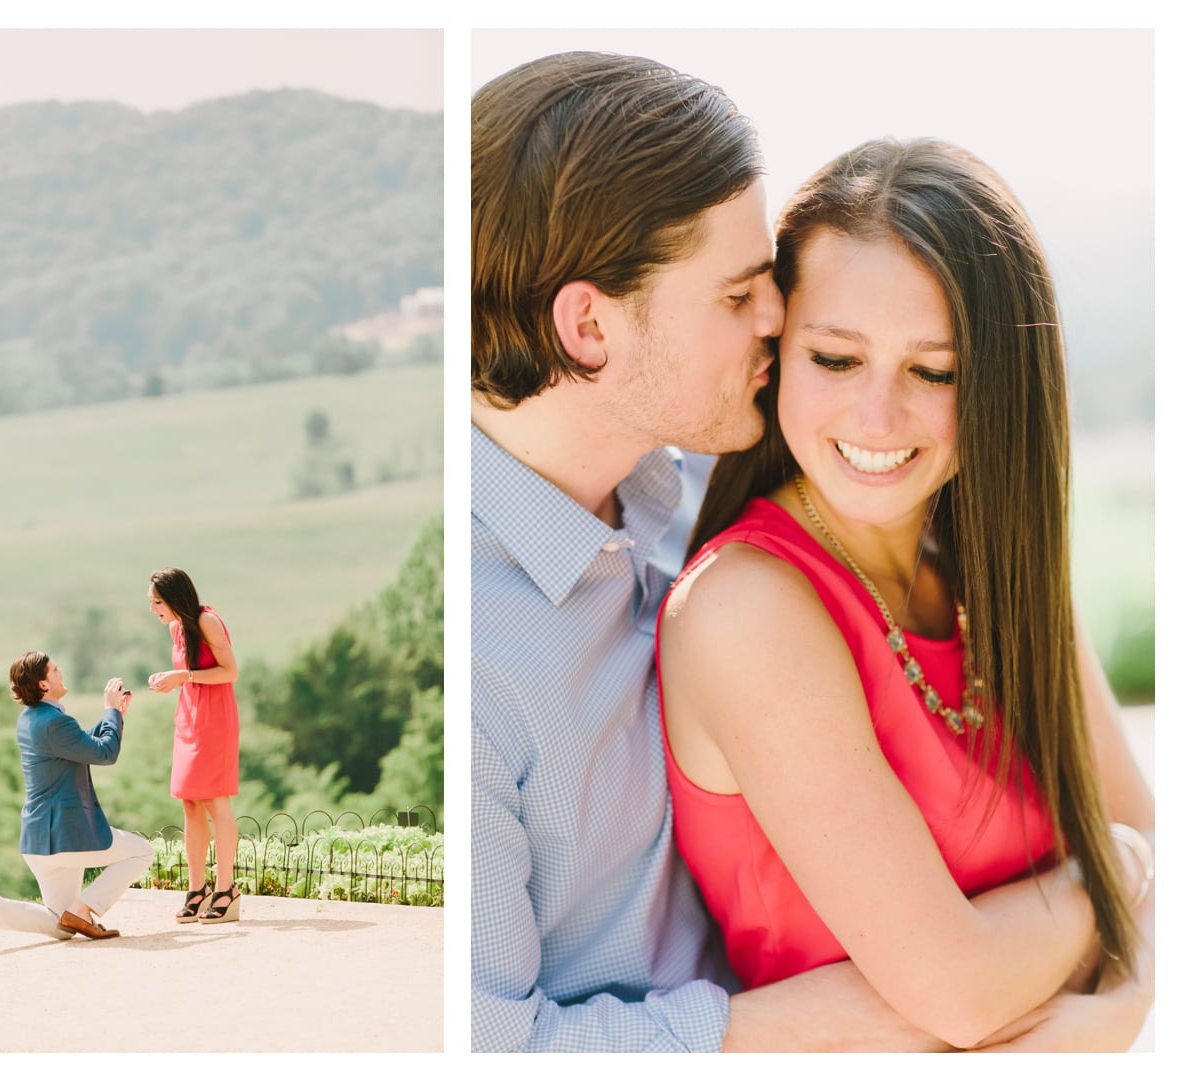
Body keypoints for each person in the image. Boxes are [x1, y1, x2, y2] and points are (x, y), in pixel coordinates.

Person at [471, 50, 1151, 1053]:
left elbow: (1132, 847)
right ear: (587, 325)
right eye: (742, 293)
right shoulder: (490, 643)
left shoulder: (682, 493)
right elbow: (486, 1054)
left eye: (935, 368)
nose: (776, 319)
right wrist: (1097, 931)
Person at [657, 137, 1155, 1048]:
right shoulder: (745, 609)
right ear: (777, 353)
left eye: (935, 371)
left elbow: (1147, 844)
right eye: (837, 360)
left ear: (1001, 387)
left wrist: (1113, 974)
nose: (877, 419)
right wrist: (1113, 877)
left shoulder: (992, 565)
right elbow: (961, 991)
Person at [0, 651, 154, 953]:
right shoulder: (54, 722)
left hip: (39, 842)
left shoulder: (32, 719)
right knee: (141, 852)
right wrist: (110, 711)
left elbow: (82, 746)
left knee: (61, 927)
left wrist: (114, 717)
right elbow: (104, 754)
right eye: (53, 670)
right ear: (42, 685)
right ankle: (84, 909)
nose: (60, 670)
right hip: (66, 836)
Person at [147, 567, 242, 924]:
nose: (154, 608)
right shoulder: (176, 627)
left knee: (216, 798)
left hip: (215, 717)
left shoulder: (207, 622)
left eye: (157, 601)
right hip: (189, 715)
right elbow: (188, 672)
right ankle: (198, 887)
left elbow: (230, 672)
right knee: (189, 801)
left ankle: (226, 888)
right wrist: (170, 680)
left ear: (174, 599)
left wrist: (182, 676)